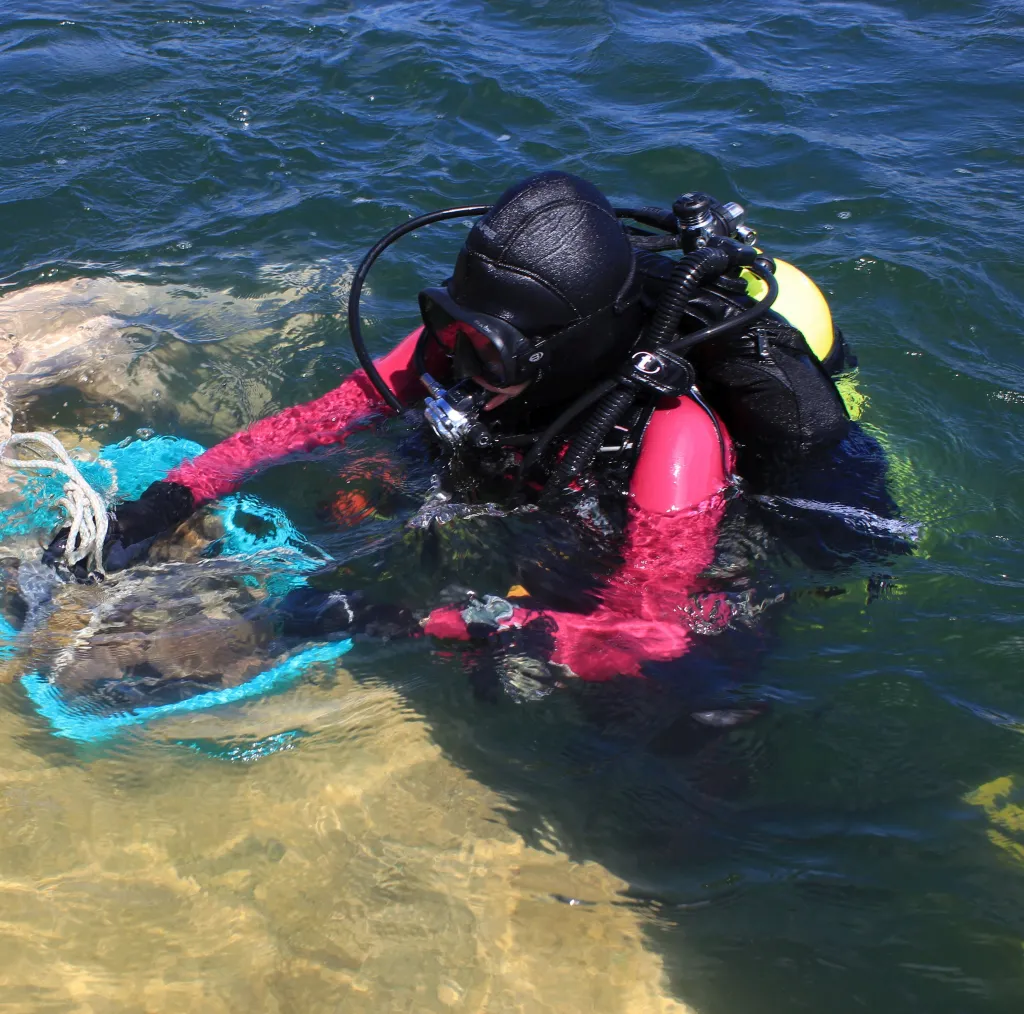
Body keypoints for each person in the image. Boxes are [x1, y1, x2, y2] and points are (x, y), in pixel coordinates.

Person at [43, 172, 900, 687]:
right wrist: (163, 503)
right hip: (536, 479)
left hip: (670, 563)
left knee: (667, 717)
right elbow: (310, 423)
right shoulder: (462, 347)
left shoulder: (675, 442)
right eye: (450, 326)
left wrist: (414, 622)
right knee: (356, 494)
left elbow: (653, 629)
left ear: (569, 346)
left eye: (486, 347)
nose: (455, 359)